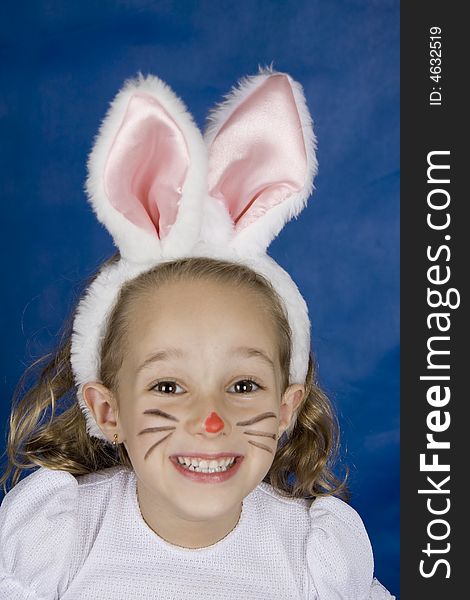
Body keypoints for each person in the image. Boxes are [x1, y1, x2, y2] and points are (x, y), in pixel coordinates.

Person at [0, 68, 395, 599]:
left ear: (286, 406)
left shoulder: (311, 558)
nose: (210, 420)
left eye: (243, 385)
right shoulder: (60, 542)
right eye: (168, 386)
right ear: (107, 411)